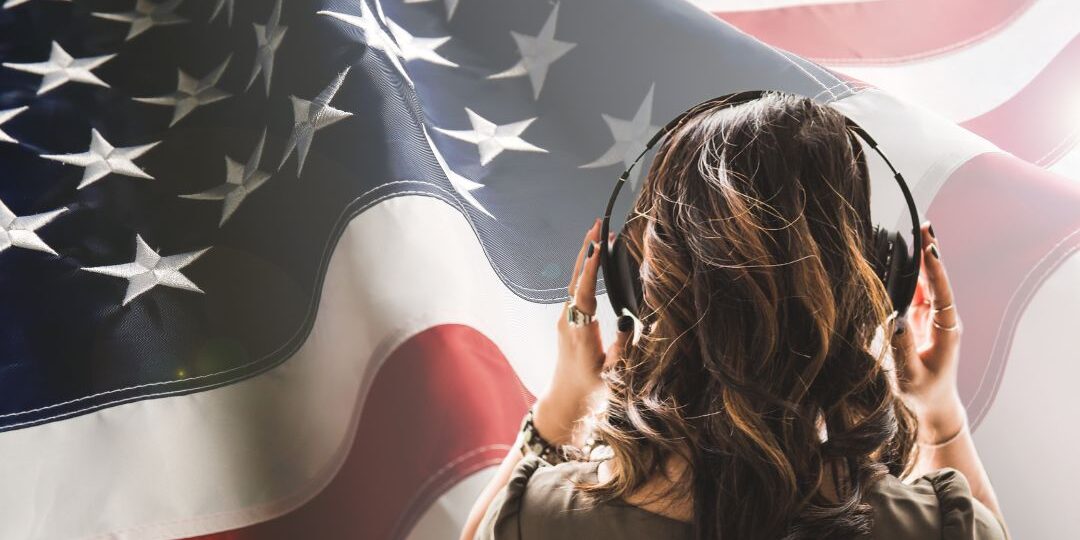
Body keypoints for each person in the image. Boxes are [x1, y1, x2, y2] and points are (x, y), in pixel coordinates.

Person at [460, 91, 1009, 539]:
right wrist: (941, 415)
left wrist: (559, 411)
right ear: (876, 282)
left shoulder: (537, 519)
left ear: (638, 290)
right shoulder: (938, 527)